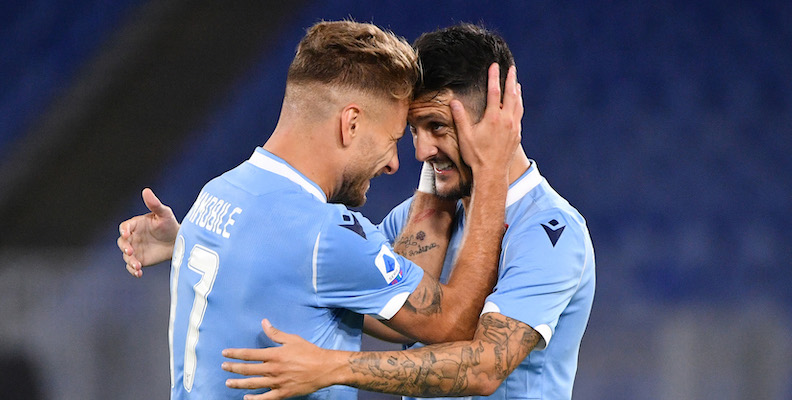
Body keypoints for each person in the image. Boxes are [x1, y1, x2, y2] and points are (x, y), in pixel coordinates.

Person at [116, 21, 524, 399]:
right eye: (392, 138)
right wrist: (490, 170)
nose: (394, 163)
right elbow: (452, 322)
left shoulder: (219, 193)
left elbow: (392, 314)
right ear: (351, 124)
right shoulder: (325, 234)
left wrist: (184, 238)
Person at [219, 24, 596, 400]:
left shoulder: (551, 233)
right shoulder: (415, 216)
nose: (421, 151)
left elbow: (485, 368)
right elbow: (385, 311)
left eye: (437, 127)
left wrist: (331, 367)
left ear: (495, 124)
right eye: (414, 130)